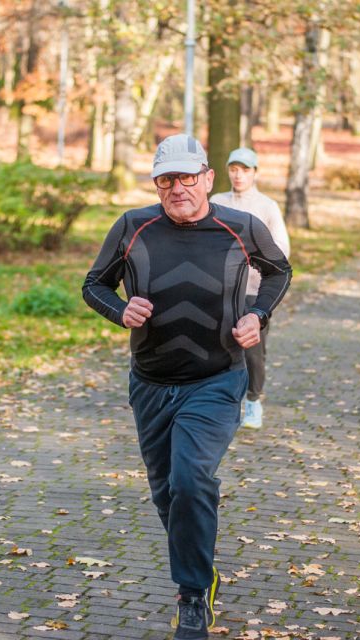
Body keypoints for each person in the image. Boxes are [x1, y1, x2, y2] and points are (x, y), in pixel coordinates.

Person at [82, 134, 292, 640]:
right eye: (166, 179)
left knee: (190, 480)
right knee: (166, 494)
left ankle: (193, 594)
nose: (178, 188)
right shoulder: (132, 227)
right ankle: (200, 566)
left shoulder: (241, 226)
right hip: (151, 383)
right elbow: (94, 284)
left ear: (208, 178)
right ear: (156, 183)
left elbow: (279, 270)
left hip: (218, 379)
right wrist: (120, 311)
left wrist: (257, 316)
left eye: (187, 177)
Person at [210, 147, 290, 430]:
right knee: (219, 346)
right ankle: (223, 400)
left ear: (254, 173)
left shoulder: (267, 207)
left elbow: (281, 249)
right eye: (233, 169)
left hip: (254, 291)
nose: (238, 175)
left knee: (252, 349)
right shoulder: (217, 202)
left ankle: (254, 401)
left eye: (244, 170)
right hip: (221, 290)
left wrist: (255, 266)